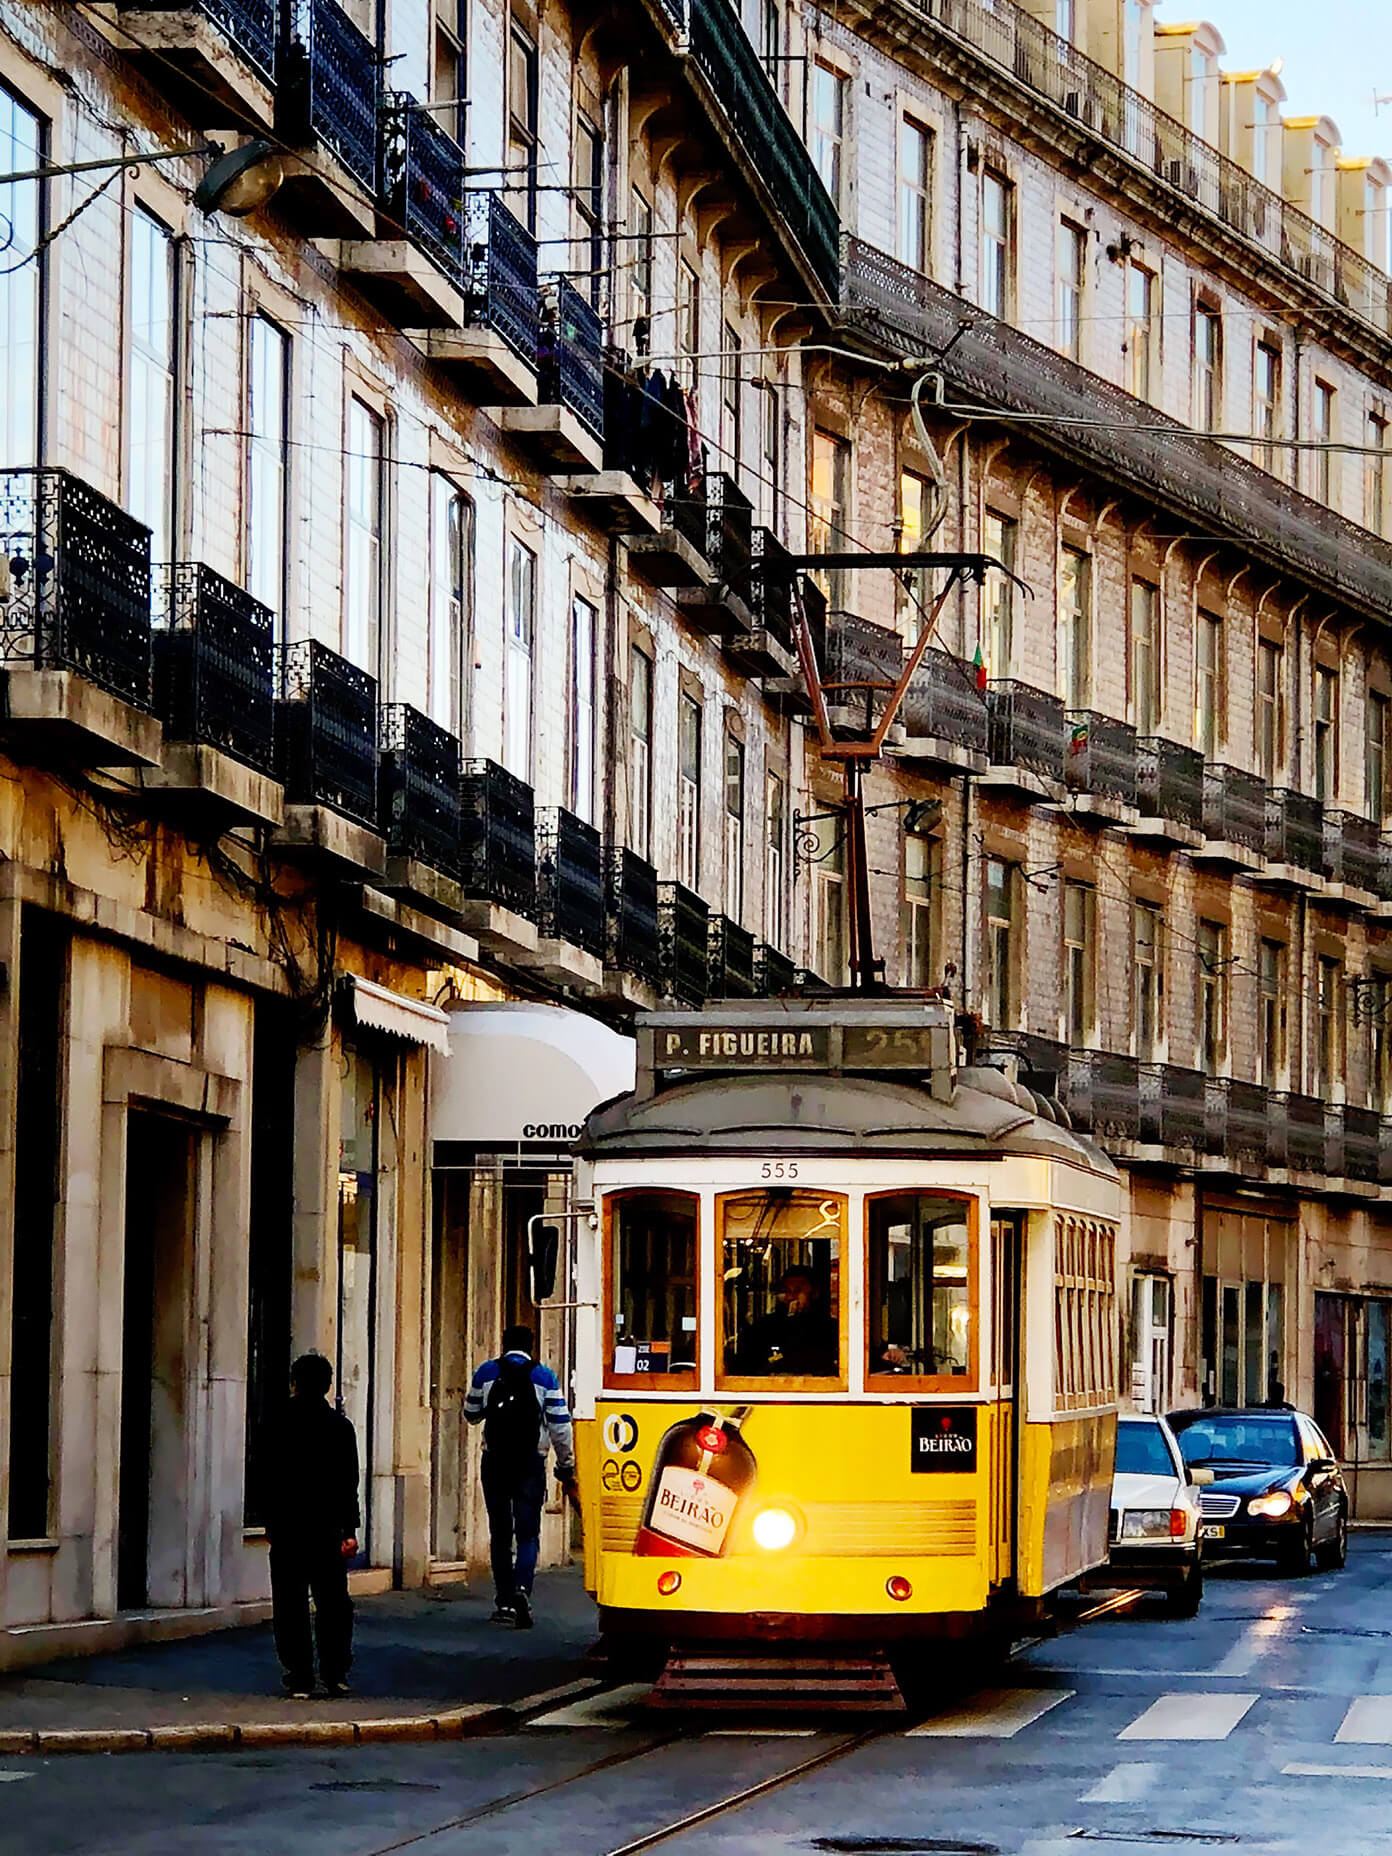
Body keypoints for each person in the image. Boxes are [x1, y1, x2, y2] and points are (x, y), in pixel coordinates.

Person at [465, 1324, 578, 1629]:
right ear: (531, 1347)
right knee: (528, 1533)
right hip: (530, 1462)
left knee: (500, 1532)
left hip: (495, 1461)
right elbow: (560, 1426)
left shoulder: (486, 1372)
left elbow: (471, 1412)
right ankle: (522, 1590)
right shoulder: (544, 1376)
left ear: (504, 1344)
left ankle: (503, 1602)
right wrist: (566, 1465)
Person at [263, 1352, 360, 1699]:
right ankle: (335, 1673)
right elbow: (349, 1482)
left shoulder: (276, 1422)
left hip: (289, 1527)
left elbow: (267, 1477)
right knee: (333, 1603)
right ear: (328, 1385)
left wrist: (270, 1522)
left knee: (289, 1603)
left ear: (294, 1382)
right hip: (328, 1529)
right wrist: (350, 1530)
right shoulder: (339, 1427)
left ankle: (299, 1673)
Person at [736, 1269, 839, 1377]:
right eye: (786, 1291)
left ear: (814, 1293)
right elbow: (749, 1365)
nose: (790, 1297)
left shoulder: (829, 1329)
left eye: (797, 1291)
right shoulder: (765, 1327)